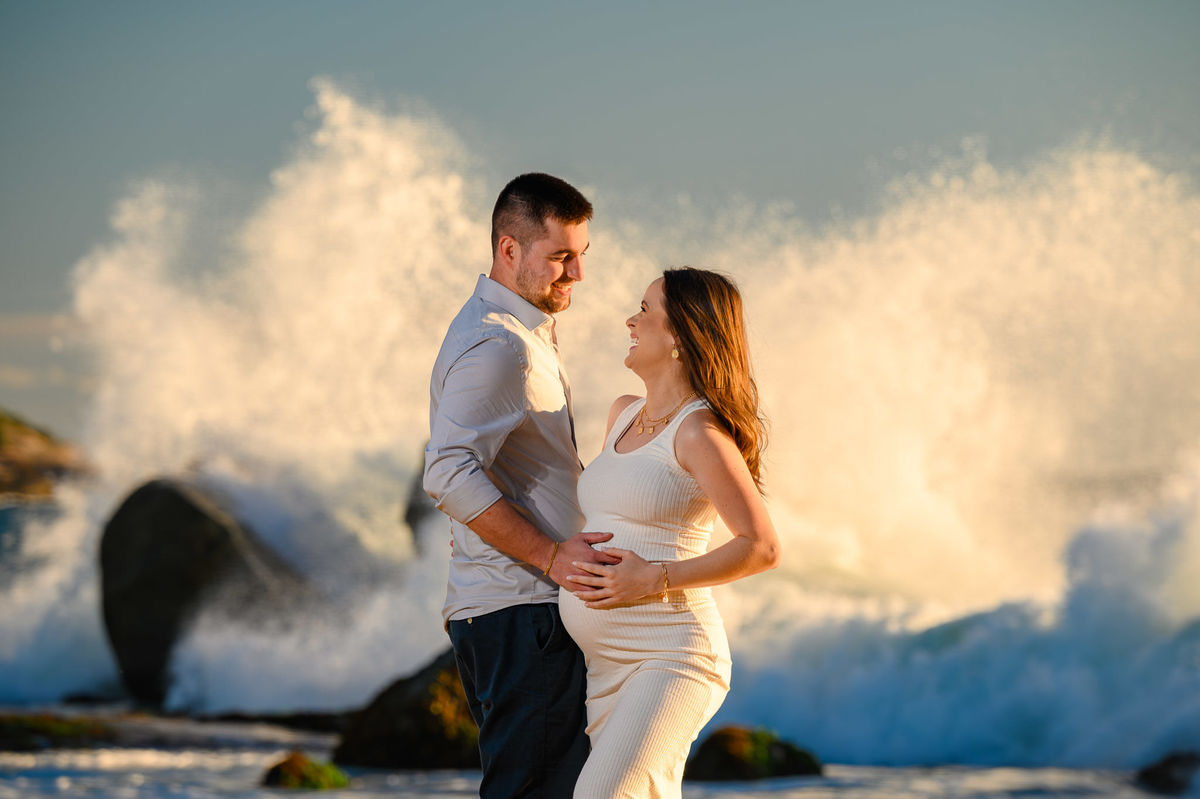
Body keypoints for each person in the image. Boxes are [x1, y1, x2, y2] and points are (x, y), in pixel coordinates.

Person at [423, 172, 619, 798]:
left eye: (581, 256)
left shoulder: (516, 331)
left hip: (518, 613)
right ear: (509, 249)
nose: (576, 275)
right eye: (561, 257)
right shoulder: (498, 346)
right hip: (522, 612)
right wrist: (552, 555)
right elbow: (448, 471)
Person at [561, 267, 781, 799]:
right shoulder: (622, 414)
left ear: (680, 334)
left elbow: (762, 547)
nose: (631, 320)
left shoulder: (698, 432)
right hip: (607, 665)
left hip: (671, 654)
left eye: (646, 310)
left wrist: (654, 578)